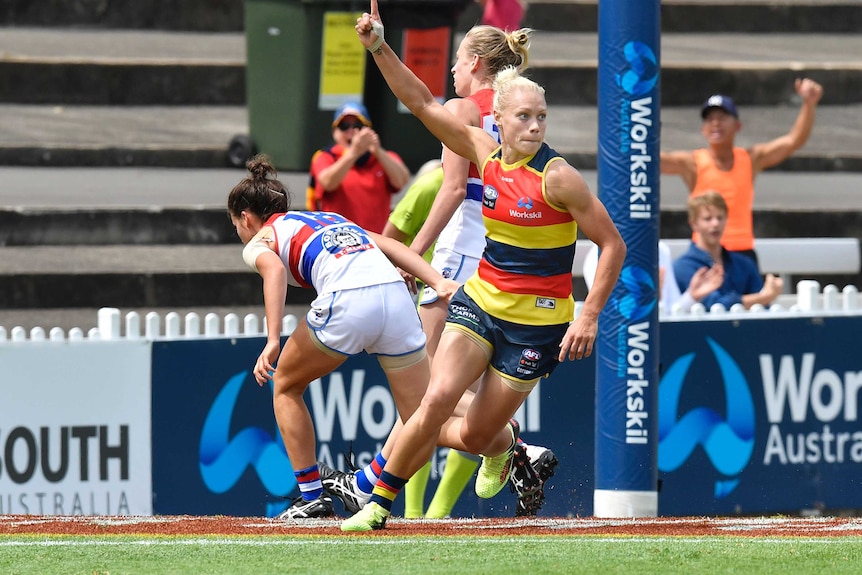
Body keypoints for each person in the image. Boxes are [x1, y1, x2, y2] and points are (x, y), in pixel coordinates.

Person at [340, 0, 626, 531]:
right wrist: (379, 46)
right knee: (434, 399)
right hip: (482, 299)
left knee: (474, 435)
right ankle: (378, 503)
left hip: (537, 324)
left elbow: (612, 246)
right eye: (524, 117)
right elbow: (422, 102)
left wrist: (588, 316)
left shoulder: (559, 177)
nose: (535, 126)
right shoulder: (481, 150)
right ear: (498, 119)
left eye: (541, 117)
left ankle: (502, 449)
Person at [227, 154, 461, 519]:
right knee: (422, 419)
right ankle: (366, 485)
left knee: (286, 386)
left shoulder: (259, 238)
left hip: (349, 299)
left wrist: (273, 338)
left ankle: (311, 497)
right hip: (397, 298)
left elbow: (272, 270)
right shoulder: (328, 218)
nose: (240, 235)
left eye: (236, 226)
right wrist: (437, 281)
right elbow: (389, 245)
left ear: (245, 218)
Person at [660, 79, 824, 265]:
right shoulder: (692, 163)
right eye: (710, 119)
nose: (715, 123)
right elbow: (651, 160)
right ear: (703, 129)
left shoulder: (750, 159)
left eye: (722, 117)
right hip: (704, 252)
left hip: (741, 252)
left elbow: (794, 141)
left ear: (737, 126)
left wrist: (809, 104)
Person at [307, 101, 410, 233]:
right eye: (344, 126)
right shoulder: (325, 157)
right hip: (338, 239)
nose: (351, 131)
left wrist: (377, 151)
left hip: (375, 241)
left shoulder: (384, 157)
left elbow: (402, 181)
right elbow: (327, 183)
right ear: (335, 132)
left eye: (358, 125)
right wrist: (354, 153)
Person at [673, 191, 783, 311]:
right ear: (694, 224)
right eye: (707, 219)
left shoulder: (744, 263)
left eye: (720, 218)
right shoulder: (682, 267)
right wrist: (765, 297)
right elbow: (715, 305)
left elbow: (763, 308)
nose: (715, 224)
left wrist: (766, 295)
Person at [582, 240, 724, 314]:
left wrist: (692, 296)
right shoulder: (597, 255)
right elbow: (609, 316)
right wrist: (651, 298)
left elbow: (670, 310)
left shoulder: (660, 249)